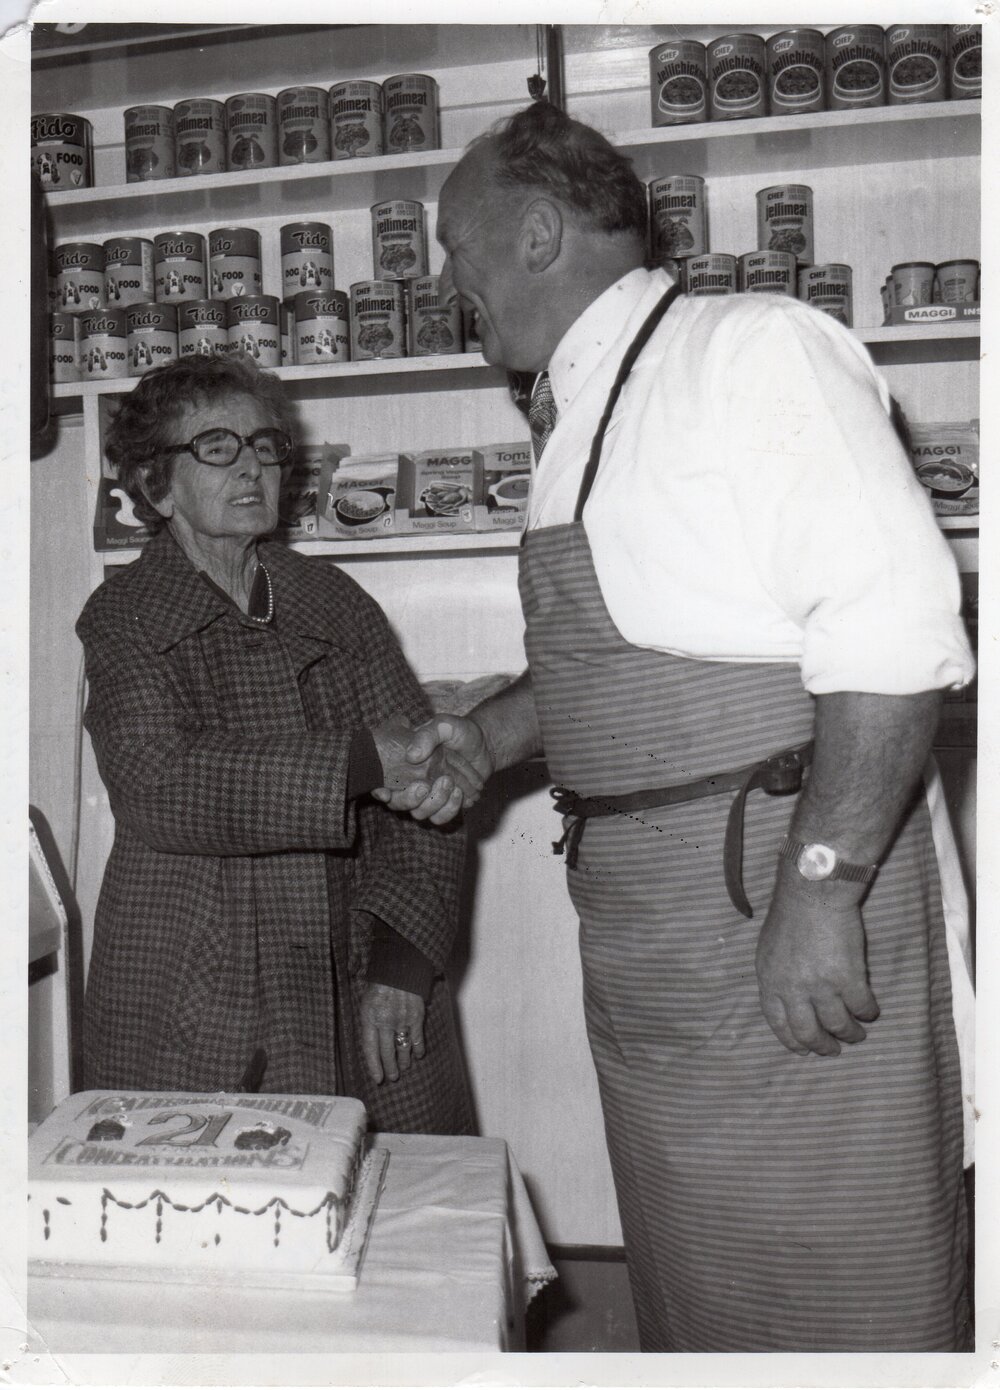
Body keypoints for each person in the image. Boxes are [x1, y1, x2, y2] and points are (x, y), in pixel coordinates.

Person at [379, 101, 977, 1349]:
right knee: (699, 1304)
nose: (446, 285)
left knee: (841, 1291)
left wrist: (822, 889)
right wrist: (490, 738)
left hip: (780, 924)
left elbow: (894, 625)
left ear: (536, 230)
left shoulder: (749, 349)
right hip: (652, 960)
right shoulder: (577, 408)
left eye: (454, 248)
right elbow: (637, 663)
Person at [77, 353, 479, 1134]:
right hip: (193, 986)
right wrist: (364, 760)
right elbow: (160, 785)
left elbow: (428, 791)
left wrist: (403, 966)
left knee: (403, 1213)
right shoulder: (122, 617)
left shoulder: (333, 599)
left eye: (265, 446)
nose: (251, 466)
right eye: (217, 448)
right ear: (157, 485)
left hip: (359, 966)